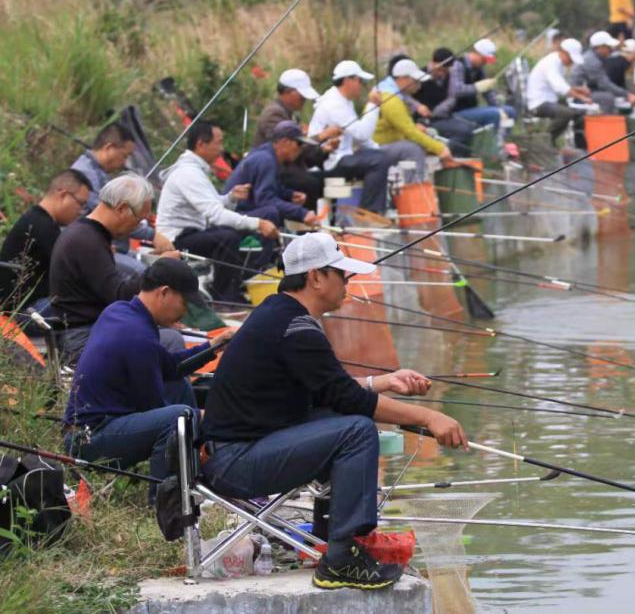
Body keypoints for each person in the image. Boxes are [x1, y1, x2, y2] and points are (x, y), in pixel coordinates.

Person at [199, 232, 468, 591]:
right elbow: (347, 400)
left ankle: (330, 541)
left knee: (342, 422)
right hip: (237, 463)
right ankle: (342, 558)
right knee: (356, 430)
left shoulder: (281, 316)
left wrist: (382, 382)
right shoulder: (295, 327)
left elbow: (328, 391)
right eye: (343, 275)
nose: (348, 284)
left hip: (238, 452)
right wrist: (429, 417)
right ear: (316, 277)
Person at [62, 258, 230, 494]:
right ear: (165, 293)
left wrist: (214, 346)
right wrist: (203, 417)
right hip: (89, 442)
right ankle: (166, 499)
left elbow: (170, 368)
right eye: (184, 303)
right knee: (180, 419)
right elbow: (154, 405)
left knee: (179, 384)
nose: (184, 314)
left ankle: (194, 470)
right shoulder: (137, 336)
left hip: (91, 428)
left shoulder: (120, 311)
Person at [50, 174, 182, 361]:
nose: (136, 228)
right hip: (81, 337)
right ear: (122, 209)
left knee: (164, 332)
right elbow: (119, 295)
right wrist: (160, 267)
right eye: (138, 220)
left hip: (90, 330)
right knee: (171, 340)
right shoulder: (87, 241)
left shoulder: (87, 234)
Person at [157, 122, 279, 302]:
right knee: (229, 238)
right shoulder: (188, 173)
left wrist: (231, 198)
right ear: (201, 144)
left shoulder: (195, 170)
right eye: (218, 142)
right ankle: (223, 296)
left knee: (233, 233)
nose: (221, 149)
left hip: (192, 233)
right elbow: (215, 214)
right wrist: (258, 224)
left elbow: (213, 205)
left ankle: (234, 285)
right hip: (176, 239)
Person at [72, 123, 173, 272]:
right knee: (141, 272)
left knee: (147, 264)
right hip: (91, 247)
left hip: (112, 246)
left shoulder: (99, 172)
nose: (125, 162)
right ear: (109, 148)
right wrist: (153, 235)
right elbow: (112, 216)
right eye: (124, 155)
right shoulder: (85, 174)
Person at [307, 60, 397, 215]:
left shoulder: (342, 100)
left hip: (340, 157)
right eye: (359, 81)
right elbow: (362, 134)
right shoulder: (334, 104)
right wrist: (373, 105)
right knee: (379, 161)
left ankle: (371, 210)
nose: (361, 85)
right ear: (348, 81)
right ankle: (369, 213)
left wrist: (377, 149)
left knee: (381, 157)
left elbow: (359, 137)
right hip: (327, 162)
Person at [0, 169, 92, 316]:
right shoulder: (44, 228)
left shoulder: (38, 220)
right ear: (63, 195)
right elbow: (74, 273)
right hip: (21, 311)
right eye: (81, 204)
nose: (80, 211)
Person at [255, 69, 344, 212]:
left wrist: (323, 150)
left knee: (331, 179)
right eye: (301, 96)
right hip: (274, 171)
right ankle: (306, 226)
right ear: (289, 92)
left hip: (288, 168)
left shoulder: (290, 115)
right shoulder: (274, 113)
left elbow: (299, 152)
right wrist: (322, 136)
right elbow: (286, 149)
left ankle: (327, 220)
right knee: (309, 183)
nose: (304, 99)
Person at [374, 59, 456, 182]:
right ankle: (415, 189)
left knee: (424, 140)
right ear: (404, 79)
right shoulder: (391, 100)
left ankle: (420, 184)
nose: (419, 85)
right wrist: (440, 149)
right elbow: (410, 132)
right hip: (377, 147)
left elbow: (403, 126)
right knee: (413, 149)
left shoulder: (390, 93)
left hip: (389, 142)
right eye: (416, 81)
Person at [225, 122, 318, 228]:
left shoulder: (267, 155)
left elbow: (268, 189)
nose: (301, 149)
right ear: (285, 142)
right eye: (299, 144)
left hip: (242, 211)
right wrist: (301, 213)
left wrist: (289, 194)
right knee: (270, 212)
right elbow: (265, 200)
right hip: (235, 216)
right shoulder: (266, 160)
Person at [409, 48, 479, 157]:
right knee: (463, 131)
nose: (442, 73)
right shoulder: (420, 77)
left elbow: (453, 96)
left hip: (442, 117)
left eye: (445, 71)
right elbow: (407, 98)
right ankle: (446, 154)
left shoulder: (448, 77)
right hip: (425, 121)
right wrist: (418, 107)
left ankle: (451, 155)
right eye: (439, 70)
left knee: (471, 128)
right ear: (433, 62)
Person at [526, 38, 592, 143]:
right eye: (571, 59)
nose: (571, 62)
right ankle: (545, 141)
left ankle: (578, 143)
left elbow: (561, 86)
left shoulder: (559, 63)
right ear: (564, 52)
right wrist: (582, 97)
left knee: (578, 113)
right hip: (539, 103)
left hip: (549, 99)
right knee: (566, 113)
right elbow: (561, 88)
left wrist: (578, 90)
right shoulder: (551, 63)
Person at [445, 39, 515, 133]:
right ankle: (496, 144)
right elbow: (456, 91)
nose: (485, 63)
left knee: (509, 111)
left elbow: (488, 93)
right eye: (484, 59)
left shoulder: (479, 69)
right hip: (455, 111)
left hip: (472, 109)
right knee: (494, 114)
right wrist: (477, 87)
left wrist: (498, 106)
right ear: (476, 53)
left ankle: (504, 139)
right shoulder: (458, 64)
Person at [569, 31, 635, 113]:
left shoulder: (595, 57)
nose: (611, 49)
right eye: (609, 47)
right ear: (600, 47)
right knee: (608, 98)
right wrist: (627, 94)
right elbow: (605, 84)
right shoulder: (592, 61)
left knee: (610, 95)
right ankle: (606, 123)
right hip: (578, 94)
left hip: (587, 90)